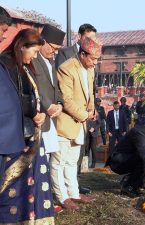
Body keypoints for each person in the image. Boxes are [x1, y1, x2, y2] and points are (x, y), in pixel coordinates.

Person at [0, 28, 55, 224]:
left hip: (30, 135)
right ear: (22, 46)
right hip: (14, 139)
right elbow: (12, 100)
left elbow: (30, 97)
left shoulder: (23, 67)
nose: (34, 57)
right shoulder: (6, 65)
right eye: (33, 52)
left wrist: (37, 115)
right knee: (12, 190)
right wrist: (33, 114)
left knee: (29, 186)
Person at [51, 36, 101, 210]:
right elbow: (66, 99)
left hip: (80, 124)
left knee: (72, 162)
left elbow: (90, 94)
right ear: (82, 54)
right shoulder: (66, 68)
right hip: (65, 124)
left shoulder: (89, 69)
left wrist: (92, 111)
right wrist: (84, 115)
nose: (95, 63)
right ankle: (61, 197)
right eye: (93, 59)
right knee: (58, 163)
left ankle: (73, 193)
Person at [32, 24, 65, 155]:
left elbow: (56, 88)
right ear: (43, 41)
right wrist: (47, 106)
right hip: (39, 118)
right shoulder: (33, 59)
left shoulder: (51, 62)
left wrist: (60, 105)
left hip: (51, 120)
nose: (54, 52)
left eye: (57, 49)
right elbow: (34, 87)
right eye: (53, 48)